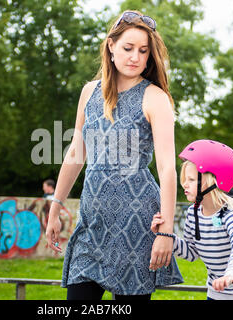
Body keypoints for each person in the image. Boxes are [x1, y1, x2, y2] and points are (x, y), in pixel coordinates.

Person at [45, 10, 183, 300]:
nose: (135, 56)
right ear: (111, 47)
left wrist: (166, 231)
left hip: (138, 226)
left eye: (143, 51)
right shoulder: (89, 92)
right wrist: (55, 207)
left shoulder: (155, 98)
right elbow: (76, 151)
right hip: (92, 225)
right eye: (128, 48)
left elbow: (168, 168)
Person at [151, 140, 233, 300]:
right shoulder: (193, 214)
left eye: (191, 180)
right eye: (185, 180)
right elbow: (191, 252)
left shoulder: (231, 214)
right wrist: (166, 234)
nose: (184, 184)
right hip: (217, 291)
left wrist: (231, 274)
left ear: (213, 181)